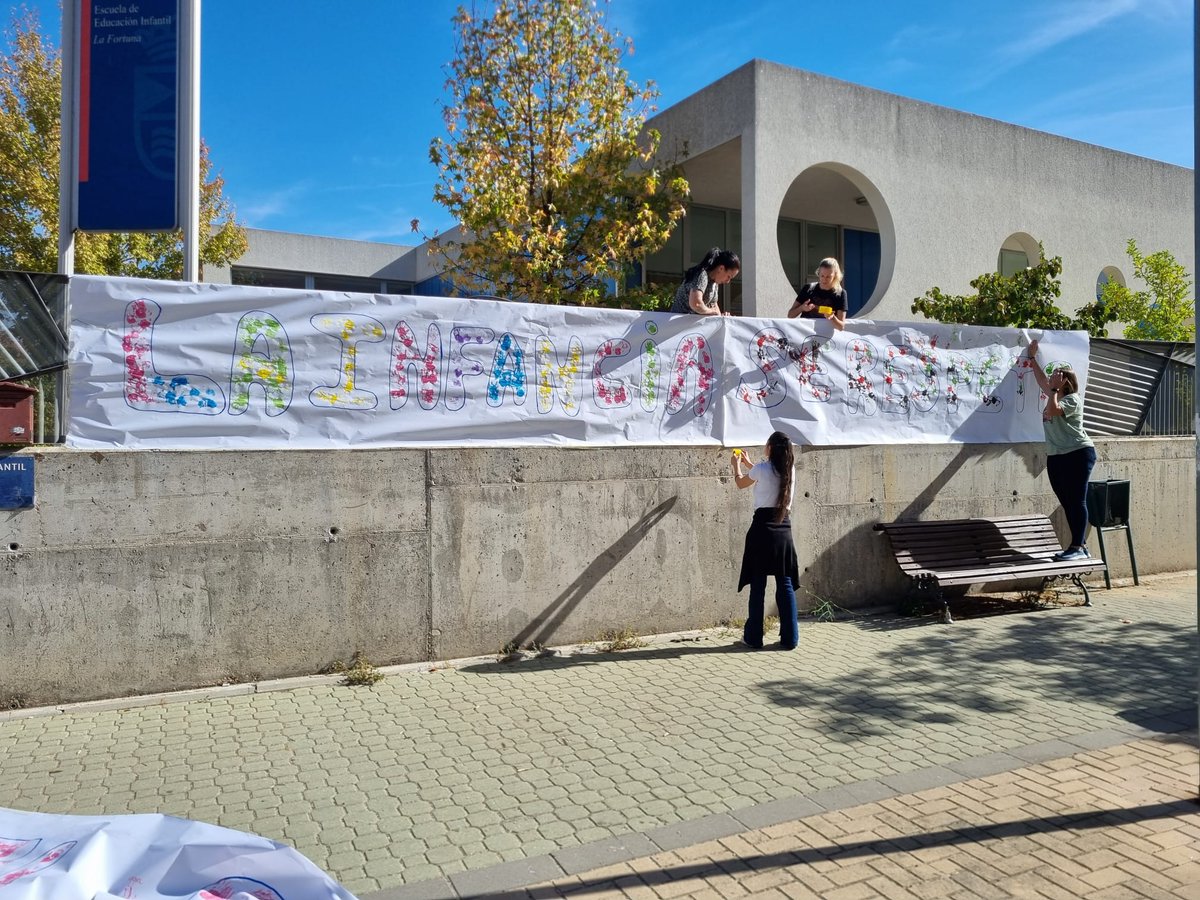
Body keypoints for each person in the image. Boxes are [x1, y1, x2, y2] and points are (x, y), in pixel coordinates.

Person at [1025, 339, 1096, 560]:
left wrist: (1054, 389)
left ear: (1065, 381)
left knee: (1077, 500)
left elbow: (1054, 411)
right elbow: (1041, 381)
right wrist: (1031, 358)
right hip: (1056, 456)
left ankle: (1078, 547)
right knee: (1066, 501)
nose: (1053, 378)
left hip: (1077, 454)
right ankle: (1078, 547)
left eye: (1057, 376)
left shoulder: (1072, 400)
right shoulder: (1055, 394)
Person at [730, 431, 800, 650]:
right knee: (785, 583)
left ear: (770, 447)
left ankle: (754, 637)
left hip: (761, 531)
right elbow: (766, 473)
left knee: (758, 584)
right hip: (783, 531)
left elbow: (741, 483)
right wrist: (750, 463)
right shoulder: (789, 470)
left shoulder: (762, 469)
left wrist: (736, 466)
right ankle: (790, 639)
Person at [670, 248, 740, 316]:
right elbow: (696, 304)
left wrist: (722, 318)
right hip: (679, 322)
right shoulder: (701, 275)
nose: (728, 281)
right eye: (728, 276)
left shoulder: (714, 283)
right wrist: (712, 312)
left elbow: (714, 306)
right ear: (721, 268)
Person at [787, 258, 848, 331]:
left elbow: (841, 327)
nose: (824, 279)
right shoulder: (808, 288)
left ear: (835, 276)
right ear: (818, 273)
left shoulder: (840, 293)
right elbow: (790, 315)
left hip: (826, 337)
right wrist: (802, 308)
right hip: (805, 333)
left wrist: (832, 317)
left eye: (828, 277)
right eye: (822, 275)